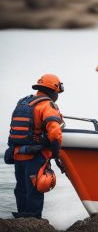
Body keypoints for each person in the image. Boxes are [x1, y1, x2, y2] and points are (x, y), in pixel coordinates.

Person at [6, 74, 64, 219]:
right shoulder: (47, 105)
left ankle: (21, 220)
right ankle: (34, 220)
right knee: (36, 188)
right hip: (35, 156)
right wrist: (56, 153)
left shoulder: (24, 103)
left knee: (21, 189)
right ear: (54, 90)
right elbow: (55, 133)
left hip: (18, 154)